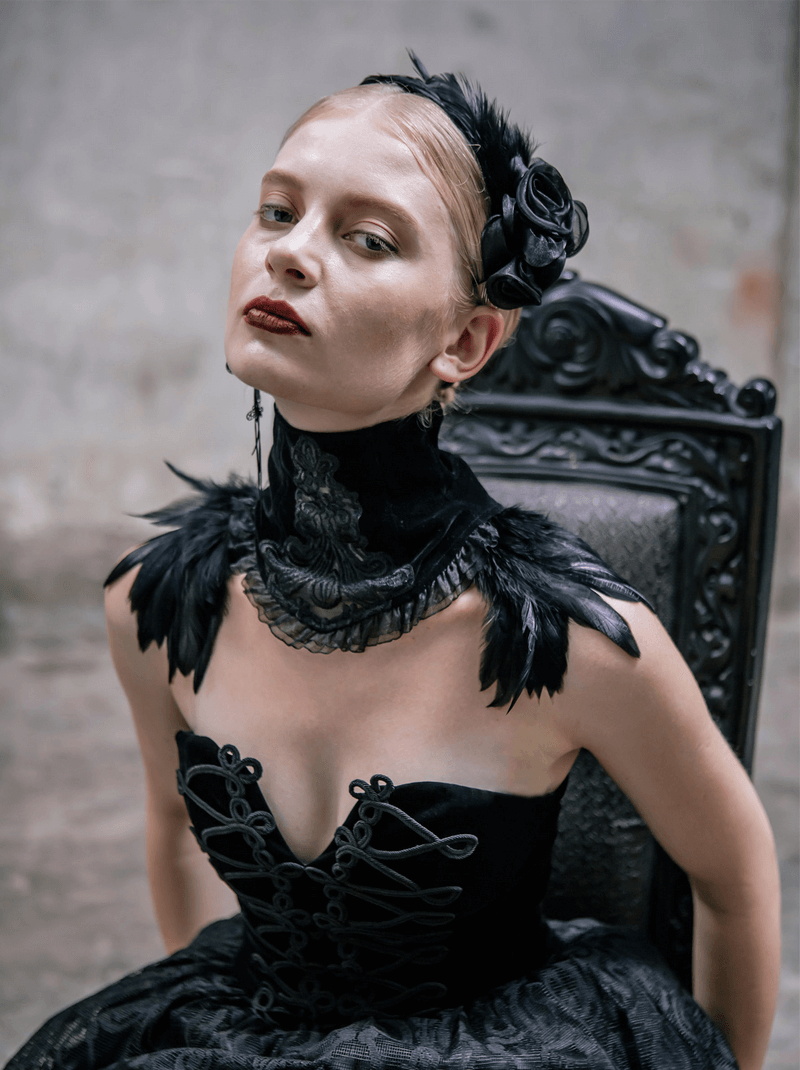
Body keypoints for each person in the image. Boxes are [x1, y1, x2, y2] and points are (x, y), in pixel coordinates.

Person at [5, 55, 779, 1070]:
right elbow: (173, 824)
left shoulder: (567, 641)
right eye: (276, 212)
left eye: (367, 238)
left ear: (463, 337)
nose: (287, 256)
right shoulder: (159, 604)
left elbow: (732, 874)